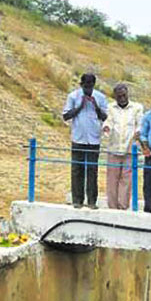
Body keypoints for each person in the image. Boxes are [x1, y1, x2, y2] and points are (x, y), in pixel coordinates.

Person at [62, 73, 108, 209]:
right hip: (78, 138)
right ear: (81, 85)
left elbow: (105, 117)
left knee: (92, 171)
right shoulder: (73, 96)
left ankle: (92, 201)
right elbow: (66, 116)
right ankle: (77, 200)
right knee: (77, 170)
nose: (88, 89)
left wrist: (96, 106)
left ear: (94, 85)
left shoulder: (100, 97)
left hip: (94, 139)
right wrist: (80, 106)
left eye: (90, 86)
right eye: (85, 86)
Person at [102, 83, 143, 210]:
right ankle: (112, 208)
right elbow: (107, 122)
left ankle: (123, 207)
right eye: (119, 96)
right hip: (114, 148)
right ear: (115, 96)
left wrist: (138, 133)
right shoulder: (110, 108)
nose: (122, 98)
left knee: (126, 180)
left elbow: (139, 124)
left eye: (124, 95)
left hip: (129, 149)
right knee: (112, 180)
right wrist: (106, 128)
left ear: (127, 94)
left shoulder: (136, 108)